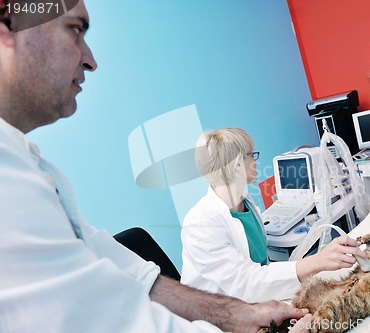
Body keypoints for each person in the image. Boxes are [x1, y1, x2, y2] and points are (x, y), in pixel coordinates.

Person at [0, 1, 310, 332]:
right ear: (7, 28)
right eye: (74, 30)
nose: (91, 60)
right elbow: (106, 318)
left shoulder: (33, 164)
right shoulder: (9, 178)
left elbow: (139, 277)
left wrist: (238, 316)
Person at [181, 128, 367, 302]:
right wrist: (317, 262)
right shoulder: (201, 223)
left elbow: (261, 267)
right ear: (237, 164)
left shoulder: (245, 202)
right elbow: (244, 283)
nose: (255, 161)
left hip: (257, 298)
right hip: (220, 315)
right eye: (251, 155)